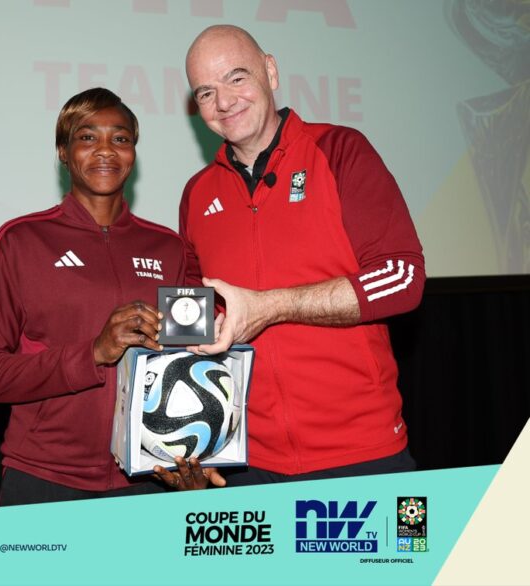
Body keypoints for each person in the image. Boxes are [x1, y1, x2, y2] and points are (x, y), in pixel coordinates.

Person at [172, 25, 426, 487]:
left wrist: (273, 306)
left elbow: (402, 278)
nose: (224, 101)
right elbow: (193, 325)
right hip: (246, 464)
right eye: (206, 92)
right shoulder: (197, 193)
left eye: (236, 78)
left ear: (270, 71)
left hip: (362, 454)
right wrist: (198, 438)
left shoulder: (340, 151)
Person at [0, 88, 212, 504]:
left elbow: (190, 362)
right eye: (87, 137)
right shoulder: (21, 241)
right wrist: (93, 353)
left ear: (133, 153)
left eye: (121, 138)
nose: (106, 150)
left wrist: (199, 452)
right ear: (63, 151)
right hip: (45, 478)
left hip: (148, 481)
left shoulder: (168, 247)